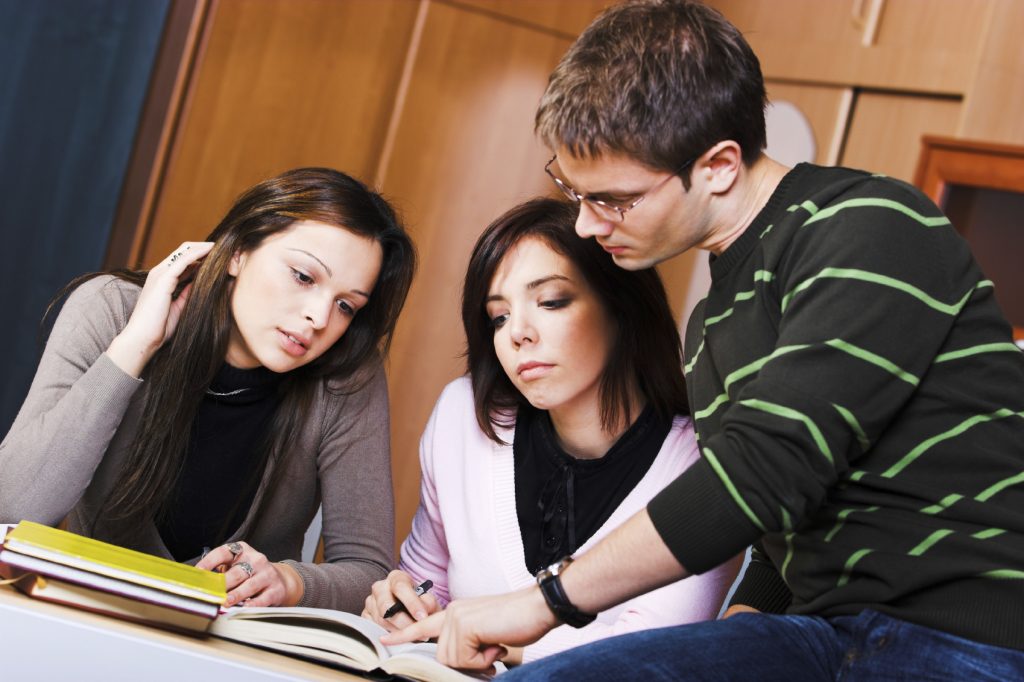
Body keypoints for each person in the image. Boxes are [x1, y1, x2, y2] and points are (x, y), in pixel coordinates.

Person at [383, 1, 1024, 678]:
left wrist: (546, 602)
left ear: (717, 165)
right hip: (824, 632)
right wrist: (731, 643)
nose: (586, 226)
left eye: (613, 200)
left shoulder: (868, 225)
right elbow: (779, 537)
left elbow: (767, 472)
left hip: (968, 635)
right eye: (576, 193)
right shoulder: (713, 322)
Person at [0, 167, 416, 612]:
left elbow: (368, 570)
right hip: (86, 624)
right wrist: (135, 347)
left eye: (346, 305)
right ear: (237, 252)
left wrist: (291, 581)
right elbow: (14, 508)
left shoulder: (346, 374)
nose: (319, 317)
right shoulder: (113, 310)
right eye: (303, 276)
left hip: (232, 655)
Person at [362, 198, 740, 665]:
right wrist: (402, 604)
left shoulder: (700, 463)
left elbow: (645, 656)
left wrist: (507, 644)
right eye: (498, 316)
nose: (517, 332)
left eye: (551, 301)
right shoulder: (463, 416)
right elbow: (428, 582)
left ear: (622, 306)